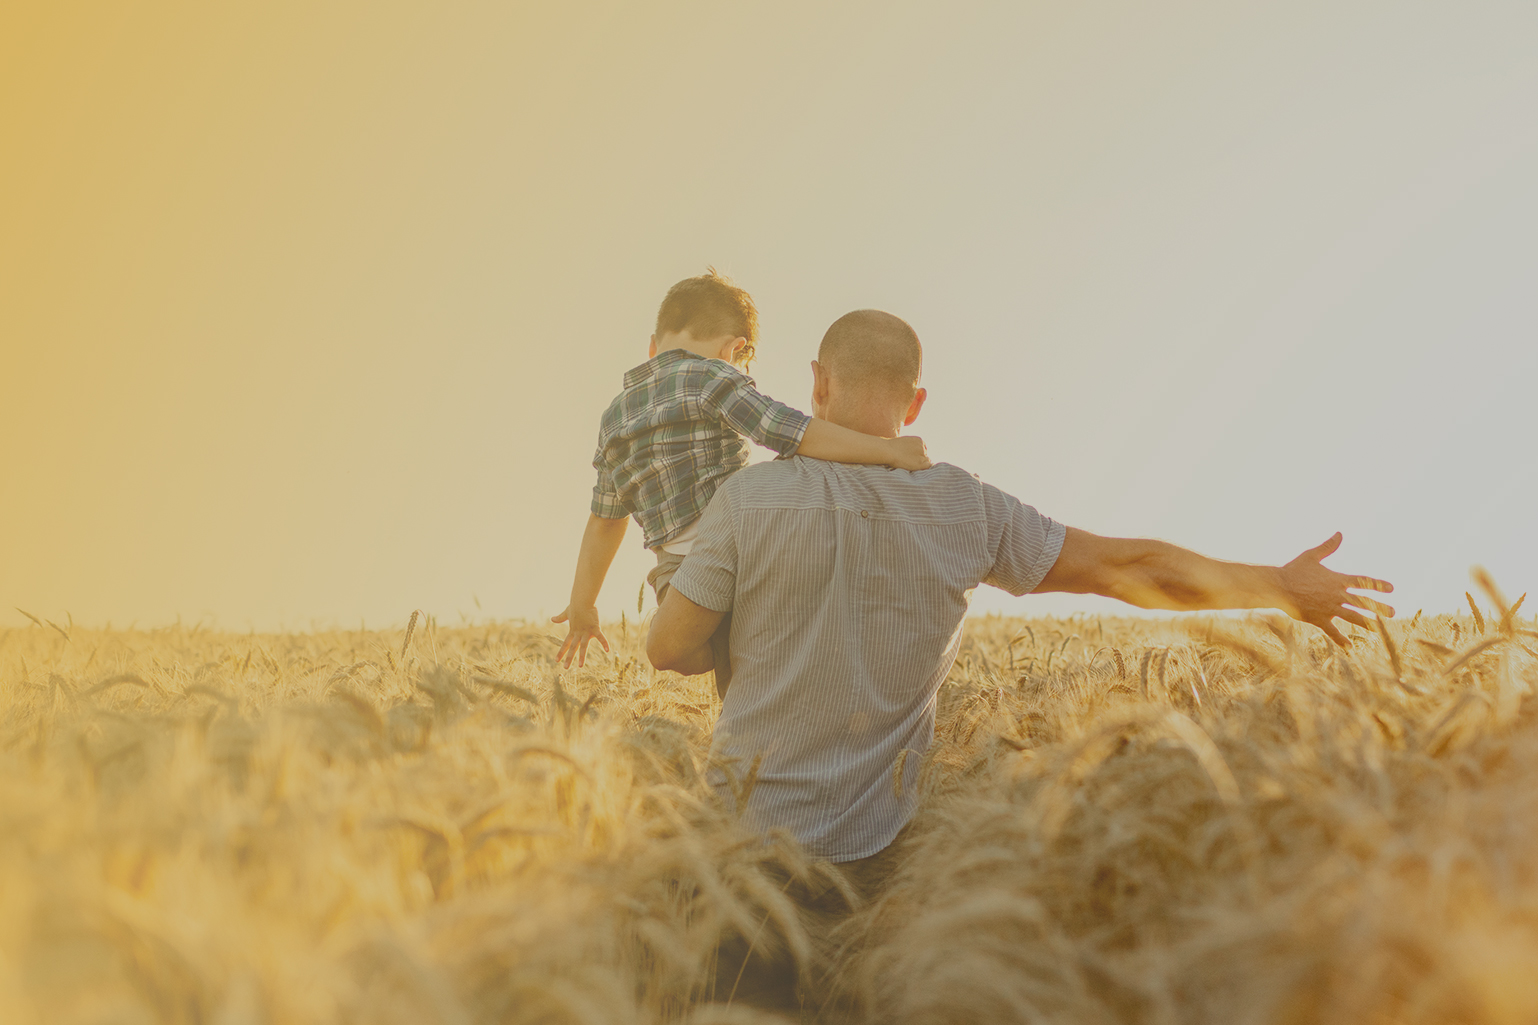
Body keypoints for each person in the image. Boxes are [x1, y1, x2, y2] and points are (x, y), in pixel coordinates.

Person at [645, 308, 1394, 1012]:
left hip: (742, 858)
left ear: (817, 382)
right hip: (887, 879)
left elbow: (672, 648)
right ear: (917, 402)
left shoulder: (747, 500)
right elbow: (1129, 566)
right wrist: (1278, 588)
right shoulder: (966, 506)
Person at [553, 272, 931, 699]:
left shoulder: (613, 417)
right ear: (733, 350)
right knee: (758, 666)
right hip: (746, 551)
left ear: (654, 345)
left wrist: (583, 604)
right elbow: (791, 432)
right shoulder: (714, 378)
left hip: (675, 573)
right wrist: (886, 451)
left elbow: (604, 521)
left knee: (692, 659)